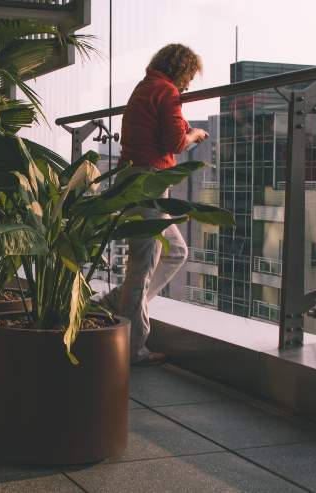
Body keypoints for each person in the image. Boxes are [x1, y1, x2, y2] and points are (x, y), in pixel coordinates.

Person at [102, 44, 208, 365]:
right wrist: (195, 135)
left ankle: (116, 305)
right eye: (189, 77)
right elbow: (175, 141)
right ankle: (133, 348)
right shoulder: (167, 90)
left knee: (175, 251)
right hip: (149, 182)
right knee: (143, 266)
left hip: (134, 178)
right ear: (182, 71)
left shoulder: (145, 87)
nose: (188, 85)